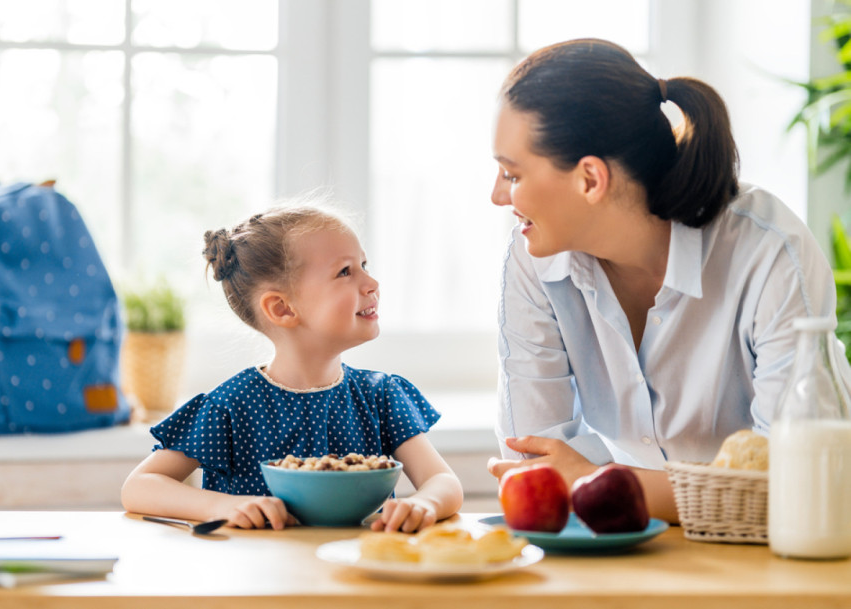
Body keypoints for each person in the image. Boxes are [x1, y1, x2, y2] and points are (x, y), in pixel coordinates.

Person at [485, 38, 845, 523]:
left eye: (511, 175)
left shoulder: (769, 251)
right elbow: (533, 465)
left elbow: (796, 482)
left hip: (761, 549)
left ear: (590, 179)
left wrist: (593, 478)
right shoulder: (533, 259)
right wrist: (597, 482)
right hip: (619, 538)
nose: (497, 196)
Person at [122, 203, 463, 532]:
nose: (372, 282)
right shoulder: (231, 406)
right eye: (345, 271)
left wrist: (425, 504)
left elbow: (442, 481)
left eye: (364, 264)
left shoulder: (380, 397)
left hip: (357, 568)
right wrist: (222, 506)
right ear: (282, 308)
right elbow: (140, 486)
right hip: (261, 570)